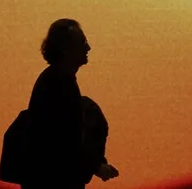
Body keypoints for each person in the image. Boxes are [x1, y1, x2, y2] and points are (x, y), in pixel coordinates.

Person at [22, 19, 120, 188]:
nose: (88, 48)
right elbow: (62, 142)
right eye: (83, 43)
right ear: (66, 50)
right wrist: (96, 167)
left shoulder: (58, 80)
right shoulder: (58, 84)